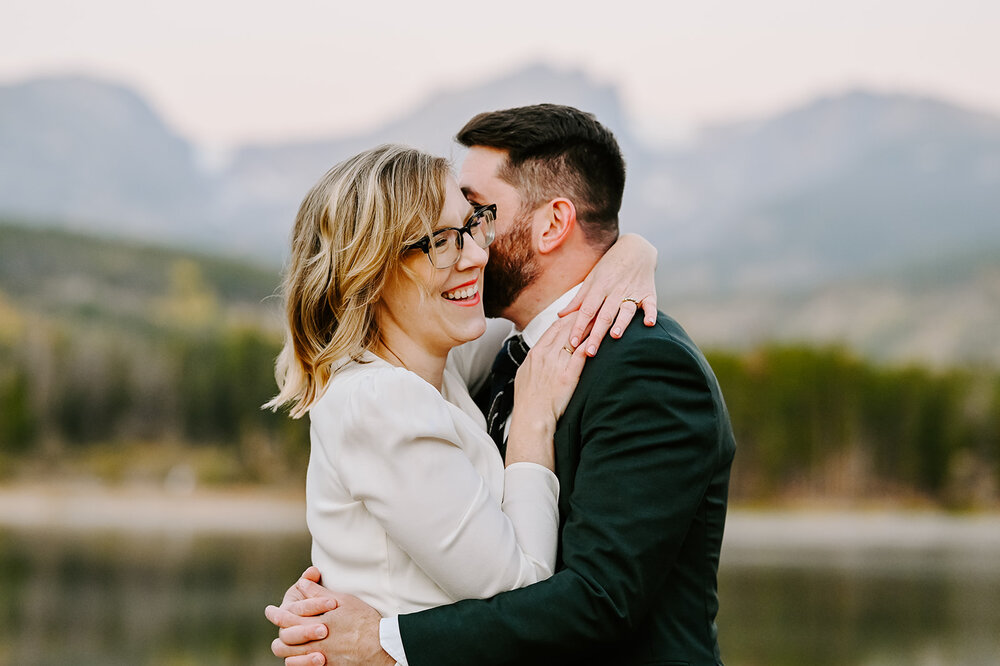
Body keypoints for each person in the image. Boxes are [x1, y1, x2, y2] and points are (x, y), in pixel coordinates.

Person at [268, 105, 736, 666]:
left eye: (479, 215)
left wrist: (383, 642)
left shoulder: (646, 368)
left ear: (553, 224)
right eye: (453, 232)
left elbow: (599, 599)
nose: (476, 245)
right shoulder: (493, 357)